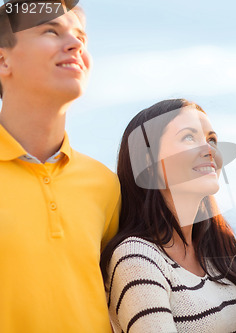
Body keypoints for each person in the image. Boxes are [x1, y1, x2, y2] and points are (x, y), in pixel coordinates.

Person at [0, 1, 120, 332]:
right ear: (3, 59)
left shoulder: (106, 185)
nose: (76, 43)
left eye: (80, 35)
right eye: (50, 31)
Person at [100, 99, 236, 333]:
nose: (209, 150)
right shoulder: (136, 258)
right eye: (188, 137)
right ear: (148, 163)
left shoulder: (217, 243)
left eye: (211, 140)